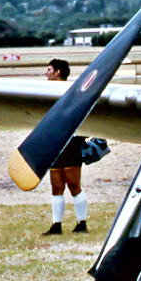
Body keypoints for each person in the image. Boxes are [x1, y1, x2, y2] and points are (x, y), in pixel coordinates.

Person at [42, 59, 88, 235]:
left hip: (70, 142)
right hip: (54, 141)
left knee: (73, 184)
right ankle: (56, 225)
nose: (46, 73)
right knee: (56, 185)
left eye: (49, 70)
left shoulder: (72, 91)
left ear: (58, 72)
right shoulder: (47, 92)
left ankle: (81, 223)